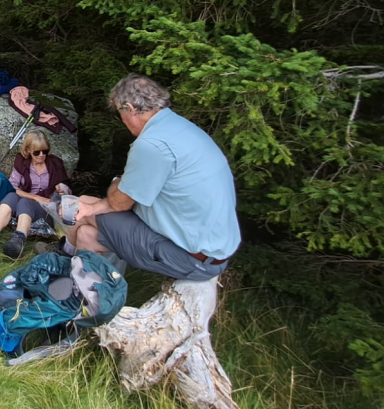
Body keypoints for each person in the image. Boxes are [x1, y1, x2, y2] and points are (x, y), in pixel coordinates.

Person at [36, 74, 240, 281]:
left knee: (79, 210)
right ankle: (93, 292)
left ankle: (63, 258)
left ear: (130, 108)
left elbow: (119, 202)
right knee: (86, 234)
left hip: (191, 259)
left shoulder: (152, 144)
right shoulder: (179, 127)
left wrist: (117, 185)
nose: (122, 120)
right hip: (211, 251)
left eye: (120, 113)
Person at [0, 130, 71, 259]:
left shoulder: (55, 163)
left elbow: (66, 188)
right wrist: (34, 196)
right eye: (37, 152)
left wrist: (62, 188)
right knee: (11, 196)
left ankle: (18, 241)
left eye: (45, 151)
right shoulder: (22, 162)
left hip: (46, 208)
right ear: (28, 150)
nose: (42, 155)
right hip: (27, 201)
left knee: (25, 202)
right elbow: (14, 186)